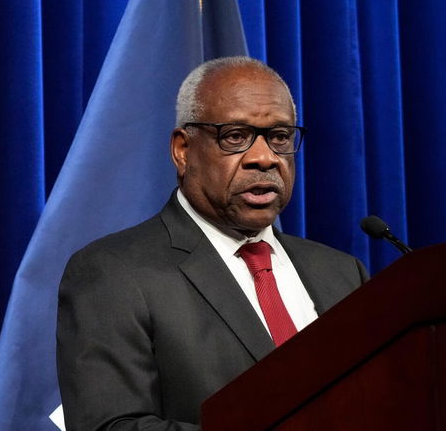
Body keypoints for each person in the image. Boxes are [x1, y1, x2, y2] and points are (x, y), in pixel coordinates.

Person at [56, 56, 367, 430]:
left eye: (280, 137)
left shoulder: (342, 273)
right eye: (235, 136)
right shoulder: (113, 274)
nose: (265, 158)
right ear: (183, 151)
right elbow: (110, 426)